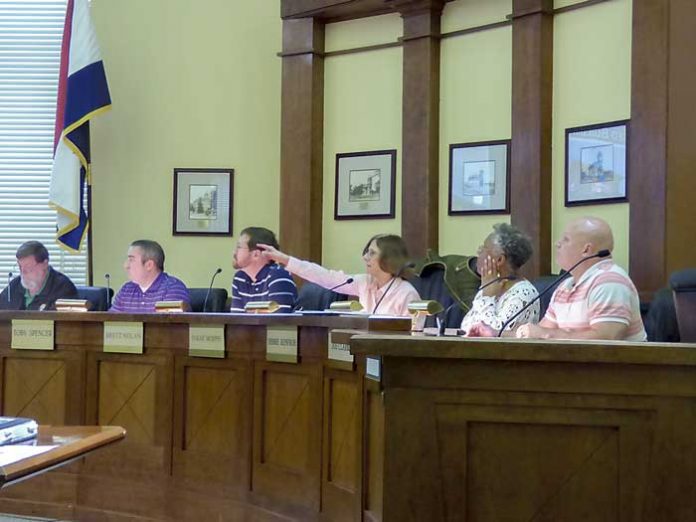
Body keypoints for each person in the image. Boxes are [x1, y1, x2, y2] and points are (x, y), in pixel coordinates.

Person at [514, 216, 646, 341]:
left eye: (566, 239)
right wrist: (500, 334)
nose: (557, 244)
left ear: (586, 250)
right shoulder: (565, 286)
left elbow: (606, 339)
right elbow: (541, 330)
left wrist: (545, 334)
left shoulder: (610, 281)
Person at [258, 234, 421, 317]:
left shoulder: (406, 293)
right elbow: (325, 277)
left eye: (372, 253)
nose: (365, 258)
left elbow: (413, 339)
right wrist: (284, 259)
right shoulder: (363, 282)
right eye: (366, 252)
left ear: (388, 257)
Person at [461, 224, 539, 335]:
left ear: (499, 260)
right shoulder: (489, 283)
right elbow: (466, 327)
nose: (478, 253)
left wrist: (487, 297)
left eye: (483, 249)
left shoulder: (524, 295)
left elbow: (494, 336)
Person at [110, 240, 190, 313]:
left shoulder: (173, 288)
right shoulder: (126, 290)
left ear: (149, 265)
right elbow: (111, 324)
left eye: (131, 260)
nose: (126, 265)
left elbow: (168, 326)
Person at [229, 227, 297, 313]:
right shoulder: (240, 278)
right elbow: (237, 320)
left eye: (239, 247)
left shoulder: (278, 276)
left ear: (256, 254)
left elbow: (279, 322)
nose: (234, 252)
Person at [0, 241, 77, 310]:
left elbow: (63, 323)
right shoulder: (15, 285)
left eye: (28, 267)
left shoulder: (63, 288)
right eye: (20, 266)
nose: (23, 272)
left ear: (44, 264)